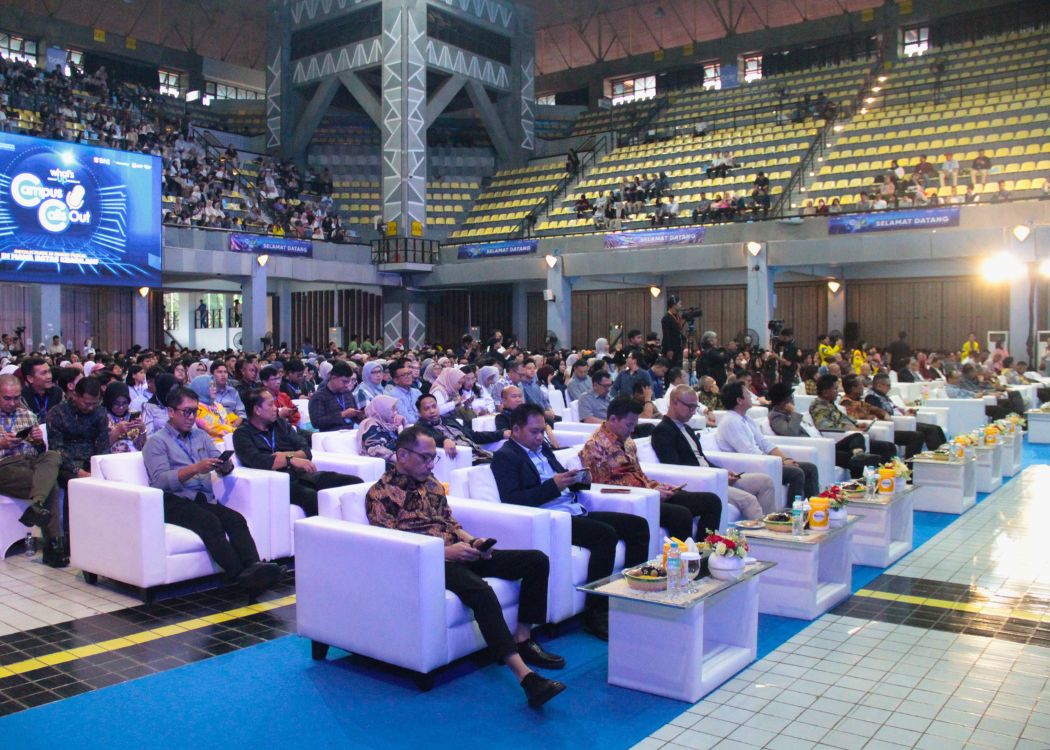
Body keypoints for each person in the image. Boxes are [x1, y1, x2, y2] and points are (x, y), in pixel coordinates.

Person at [366, 427, 566, 708]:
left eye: (433, 458)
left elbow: (451, 523)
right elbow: (391, 544)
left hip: (459, 550)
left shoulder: (432, 483)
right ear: (402, 455)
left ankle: (523, 638)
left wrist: (474, 541)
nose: (430, 464)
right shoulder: (380, 494)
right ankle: (525, 677)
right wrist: (446, 552)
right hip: (429, 564)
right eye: (424, 458)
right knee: (481, 591)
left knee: (536, 560)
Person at [492, 404, 650, 640]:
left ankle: (633, 597)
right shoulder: (505, 457)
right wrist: (553, 486)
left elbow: (561, 479)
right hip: (552, 518)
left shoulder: (543, 449)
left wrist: (577, 478)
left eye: (542, 431)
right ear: (515, 430)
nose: (540, 437)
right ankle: (595, 612)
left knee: (638, 526)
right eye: (534, 432)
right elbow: (513, 500)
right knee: (605, 535)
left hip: (574, 508)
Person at [143, 386, 284, 597]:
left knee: (235, 519)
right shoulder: (156, 442)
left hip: (202, 498)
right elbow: (160, 481)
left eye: (195, 412)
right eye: (186, 412)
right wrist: (195, 469)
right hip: (173, 499)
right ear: (171, 412)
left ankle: (255, 568)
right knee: (209, 522)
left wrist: (224, 466)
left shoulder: (200, 436)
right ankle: (240, 576)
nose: (192, 417)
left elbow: (218, 461)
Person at [579, 396, 722, 542]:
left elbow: (638, 474)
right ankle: (684, 555)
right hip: (631, 500)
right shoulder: (594, 446)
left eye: (634, 424)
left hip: (649, 492)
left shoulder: (628, 441)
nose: (632, 429)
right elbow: (602, 487)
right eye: (629, 425)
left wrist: (656, 486)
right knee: (681, 514)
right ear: (613, 419)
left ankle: (706, 550)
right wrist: (649, 491)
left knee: (711, 501)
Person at [233, 389, 361, 517]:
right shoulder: (242, 434)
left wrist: (283, 456)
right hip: (279, 483)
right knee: (311, 497)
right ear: (257, 410)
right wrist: (291, 459)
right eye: (270, 404)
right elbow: (259, 461)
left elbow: (306, 451)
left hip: (303, 475)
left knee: (354, 482)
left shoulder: (281, 424)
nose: (275, 408)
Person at [652, 385, 775, 520]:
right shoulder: (663, 431)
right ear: (674, 402)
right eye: (690, 407)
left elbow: (702, 459)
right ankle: (762, 533)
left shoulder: (687, 428)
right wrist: (714, 474)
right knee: (749, 500)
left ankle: (773, 525)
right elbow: (675, 467)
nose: (693, 412)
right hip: (700, 481)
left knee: (765, 482)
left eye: (695, 407)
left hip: (712, 475)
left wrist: (723, 472)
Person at [0, 374, 66, 567]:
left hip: (30, 462)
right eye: (7, 398)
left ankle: (37, 503)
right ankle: (54, 546)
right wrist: (2, 443)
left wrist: (38, 441)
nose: (13, 403)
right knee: (51, 485)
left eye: (16, 398)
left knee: (53, 456)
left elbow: (40, 451)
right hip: (5, 466)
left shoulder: (27, 415)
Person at [716, 380, 820, 499]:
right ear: (739, 400)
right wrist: (780, 463)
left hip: (764, 461)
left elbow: (764, 443)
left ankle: (814, 505)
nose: (751, 396)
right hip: (749, 466)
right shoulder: (731, 421)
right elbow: (749, 452)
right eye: (747, 393)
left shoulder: (746, 418)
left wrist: (786, 459)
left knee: (810, 468)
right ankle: (794, 508)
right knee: (796, 473)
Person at [767, 379, 886, 476]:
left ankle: (859, 454)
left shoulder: (790, 414)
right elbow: (790, 433)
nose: (792, 401)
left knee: (857, 436)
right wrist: (793, 413)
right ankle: (859, 479)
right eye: (789, 399)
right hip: (817, 447)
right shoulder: (776, 417)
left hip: (823, 442)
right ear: (782, 402)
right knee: (850, 458)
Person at [46, 376, 110, 493]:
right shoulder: (57, 413)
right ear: (75, 395)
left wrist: (98, 467)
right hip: (66, 464)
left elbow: (103, 444)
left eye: (94, 403)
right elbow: (56, 449)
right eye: (86, 403)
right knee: (77, 483)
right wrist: (78, 471)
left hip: (92, 462)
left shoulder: (100, 412)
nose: (91, 408)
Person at [839, 375, 924, 459]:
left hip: (879, 427)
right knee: (912, 438)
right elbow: (854, 420)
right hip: (865, 432)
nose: (863, 388)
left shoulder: (859, 401)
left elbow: (875, 409)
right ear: (853, 388)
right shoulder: (846, 403)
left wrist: (883, 414)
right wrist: (871, 417)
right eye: (861, 385)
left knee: (917, 435)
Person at [414, 394, 504, 465]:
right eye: (427, 409)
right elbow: (430, 438)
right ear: (419, 413)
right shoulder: (419, 428)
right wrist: (444, 440)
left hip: (479, 453)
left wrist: (501, 434)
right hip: (465, 460)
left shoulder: (448, 420)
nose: (432, 411)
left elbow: (474, 435)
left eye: (434, 406)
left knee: (507, 457)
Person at [865, 373, 945, 450]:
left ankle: (945, 451)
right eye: (888, 385)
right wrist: (903, 417)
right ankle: (937, 454)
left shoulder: (883, 395)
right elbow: (881, 414)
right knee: (929, 431)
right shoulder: (872, 398)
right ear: (879, 385)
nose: (890, 388)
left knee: (936, 428)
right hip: (897, 423)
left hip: (903, 419)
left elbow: (894, 407)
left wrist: (905, 411)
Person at [309, 361, 364, 431]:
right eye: (344, 381)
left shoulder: (347, 393)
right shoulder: (319, 396)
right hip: (331, 434)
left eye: (348, 382)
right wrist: (342, 415)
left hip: (352, 430)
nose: (347, 385)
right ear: (333, 378)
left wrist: (359, 415)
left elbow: (355, 417)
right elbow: (317, 422)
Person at [189, 375, 239, 446]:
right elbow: (214, 426)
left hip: (230, 440)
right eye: (210, 386)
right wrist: (237, 431)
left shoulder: (218, 405)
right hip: (213, 446)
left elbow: (228, 421)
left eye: (214, 385)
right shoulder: (198, 408)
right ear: (201, 388)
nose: (214, 388)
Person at [357, 394, 404, 464]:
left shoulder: (388, 424)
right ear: (382, 409)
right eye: (392, 409)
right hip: (385, 464)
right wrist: (403, 460)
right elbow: (375, 450)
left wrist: (401, 425)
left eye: (395, 409)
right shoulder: (370, 423)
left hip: (399, 460)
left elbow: (404, 443)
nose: (396, 412)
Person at [103, 382, 147, 453]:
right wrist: (117, 431)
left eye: (124, 403)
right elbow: (101, 448)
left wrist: (142, 430)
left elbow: (140, 447)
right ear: (109, 402)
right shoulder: (103, 416)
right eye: (116, 403)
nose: (121, 407)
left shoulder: (133, 415)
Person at [21, 357, 64, 422]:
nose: (49, 376)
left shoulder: (57, 392)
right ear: (30, 378)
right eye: (44, 373)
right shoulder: (21, 396)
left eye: (49, 372)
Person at [385, 358, 422, 424]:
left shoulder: (417, 392)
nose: (408, 376)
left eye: (409, 373)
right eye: (404, 375)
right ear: (395, 380)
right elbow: (408, 419)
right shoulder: (393, 396)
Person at [661, 296, 686, 369]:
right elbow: (666, 335)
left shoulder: (677, 316)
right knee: (671, 368)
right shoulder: (666, 318)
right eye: (679, 304)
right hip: (671, 348)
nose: (681, 305)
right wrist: (669, 349)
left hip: (678, 346)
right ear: (674, 305)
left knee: (678, 368)